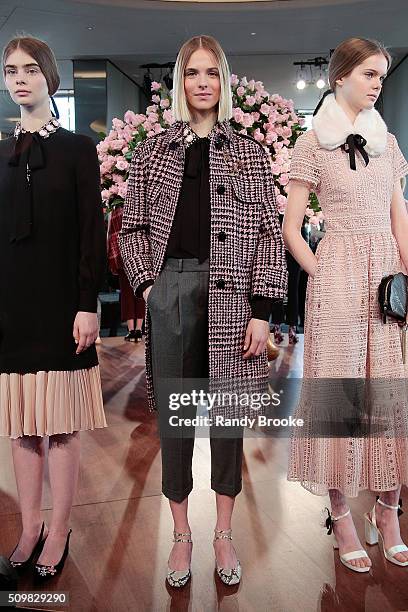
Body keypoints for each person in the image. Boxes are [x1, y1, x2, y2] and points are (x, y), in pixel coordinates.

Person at [119, 35, 287, 587]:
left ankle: (222, 531)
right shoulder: (151, 151)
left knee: (228, 417)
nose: (203, 83)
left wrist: (261, 309)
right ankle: (181, 534)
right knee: (175, 420)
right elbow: (134, 228)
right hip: (171, 288)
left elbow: (267, 234)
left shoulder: (249, 152)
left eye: (212, 72)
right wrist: (149, 285)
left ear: (225, 79)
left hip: (234, 292)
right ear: (179, 81)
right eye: (193, 73)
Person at [284, 37, 408, 572]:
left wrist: (406, 270)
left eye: (382, 75)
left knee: (389, 393)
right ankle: (339, 515)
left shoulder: (390, 143)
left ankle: (388, 510)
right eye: (368, 74)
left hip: (386, 281)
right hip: (336, 279)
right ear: (339, 77)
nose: (378, 83)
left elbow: (399, 215)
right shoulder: (313, 143)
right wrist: (322, 270)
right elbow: (291, 227)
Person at [0, 36, 107, 581]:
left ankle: (60, 531)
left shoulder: (76, 149)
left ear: (50, 77)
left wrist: (88, 305)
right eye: (9, 70)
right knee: (21, 425)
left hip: (64, 306)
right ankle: (29, 526)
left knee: (61, 426)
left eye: (30, 69)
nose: (19, 78)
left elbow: (93, 231)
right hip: (12, 309)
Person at [107, 206, 144, 341]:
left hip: (124, 255)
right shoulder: (138, 208)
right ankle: (138, 330)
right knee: (140, 290)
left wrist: (113, 259)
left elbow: (113, 236)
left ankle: (132, 330)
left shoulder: (117, 211)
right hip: (139, 254)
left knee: (128, 293)